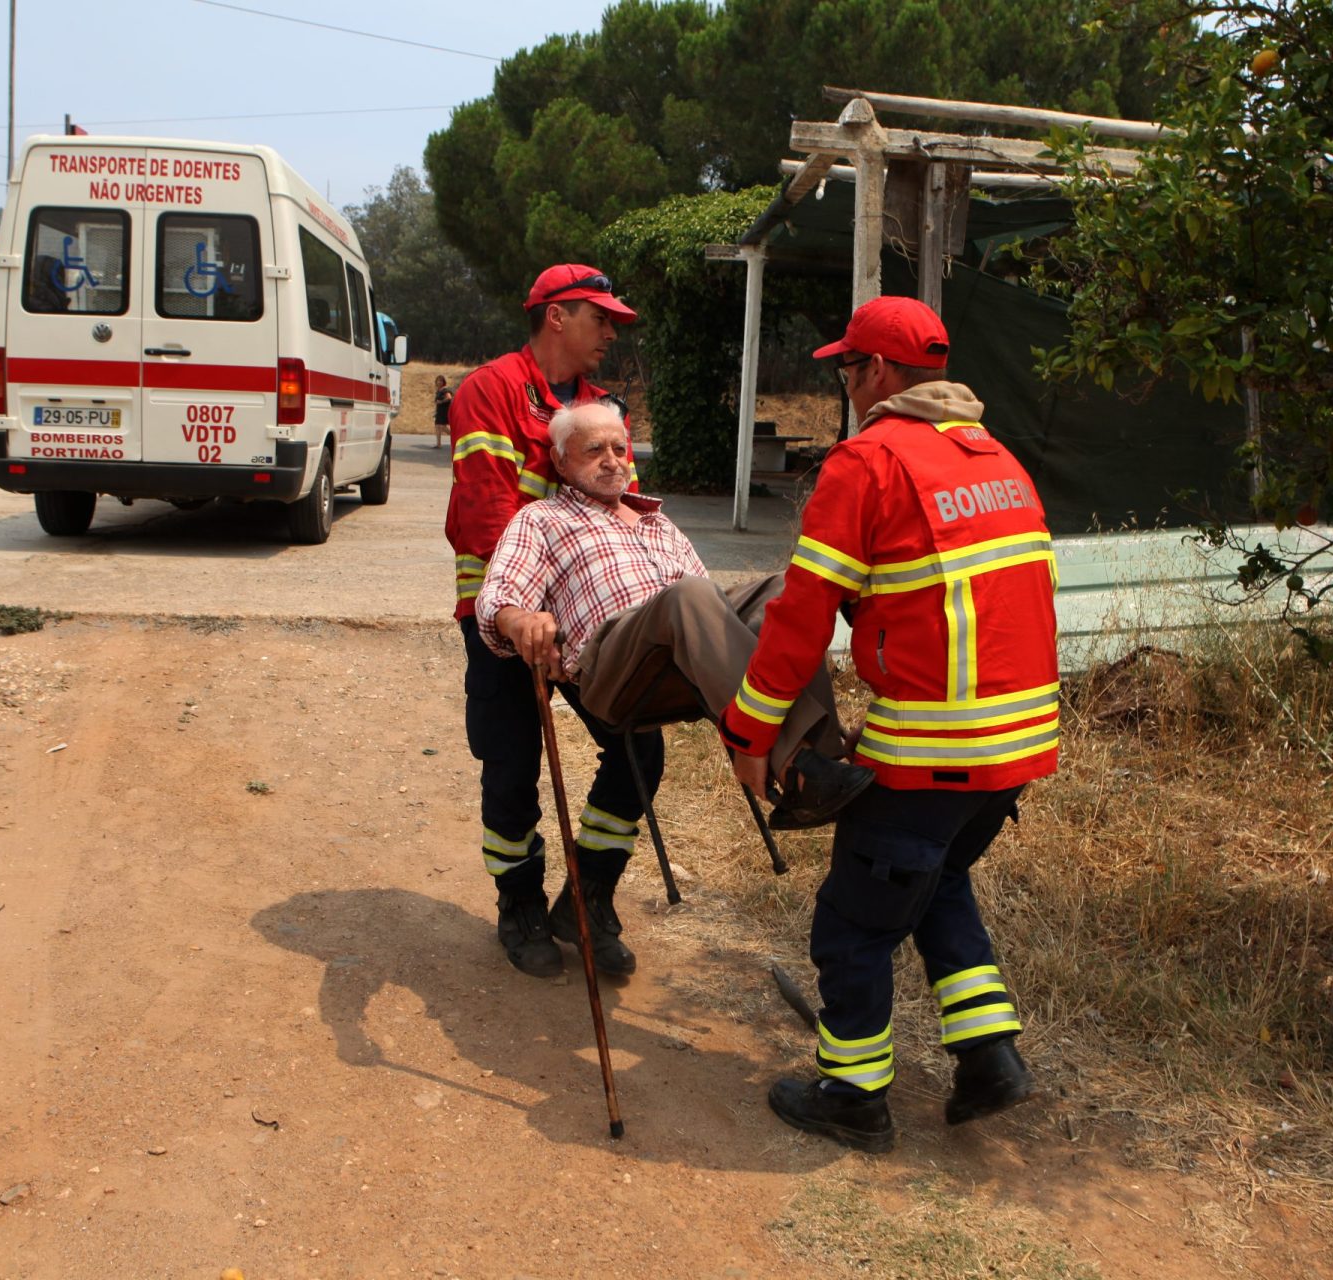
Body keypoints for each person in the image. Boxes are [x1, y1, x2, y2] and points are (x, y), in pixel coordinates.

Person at [720, 296, 1062, 1154]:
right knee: (937, 882)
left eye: (847, 368)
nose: (844, 383)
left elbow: (803, 615)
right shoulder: (997, 457)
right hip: (1018, 748)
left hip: (933, 750)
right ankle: (989, 1057)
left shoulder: (865, 462)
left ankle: (854, 1097)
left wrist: (749, 734)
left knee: (853, 923)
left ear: (876, 373)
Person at [475, 401, 875, 975]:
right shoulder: (542, 520)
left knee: (786, 591)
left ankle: (820, 753)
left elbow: (711, 604)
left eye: (620, 447)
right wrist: (521, 620)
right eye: (594, 450)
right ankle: (799, 770)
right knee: (686, 596)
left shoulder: (659, 521)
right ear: (562, 463)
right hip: (612, 666)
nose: (613, 460)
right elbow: (498, 596)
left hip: (682, 662)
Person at [445, 264, 643, 979]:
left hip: (590, 625)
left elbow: (626, 507)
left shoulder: (599, 408)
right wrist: (527, 614)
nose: (612, 332)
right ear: (556, 315)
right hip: (506, 618)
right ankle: (519, 904)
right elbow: (488, 510)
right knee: (511, 769)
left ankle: (587, 901)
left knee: (637, 753)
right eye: (601, 318)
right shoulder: (490, 391)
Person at [431, 375, 452, 449]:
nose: (439, 382)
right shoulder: (438, 390)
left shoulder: (445, 390)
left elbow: (449, 398)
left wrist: (441, 402)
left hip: (444, 410)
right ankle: (438, 444)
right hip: (439, 411)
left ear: (443, 382)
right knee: (437, 426)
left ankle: (455, 436)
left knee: (443, 426)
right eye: (438, 380)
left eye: (441, 381)